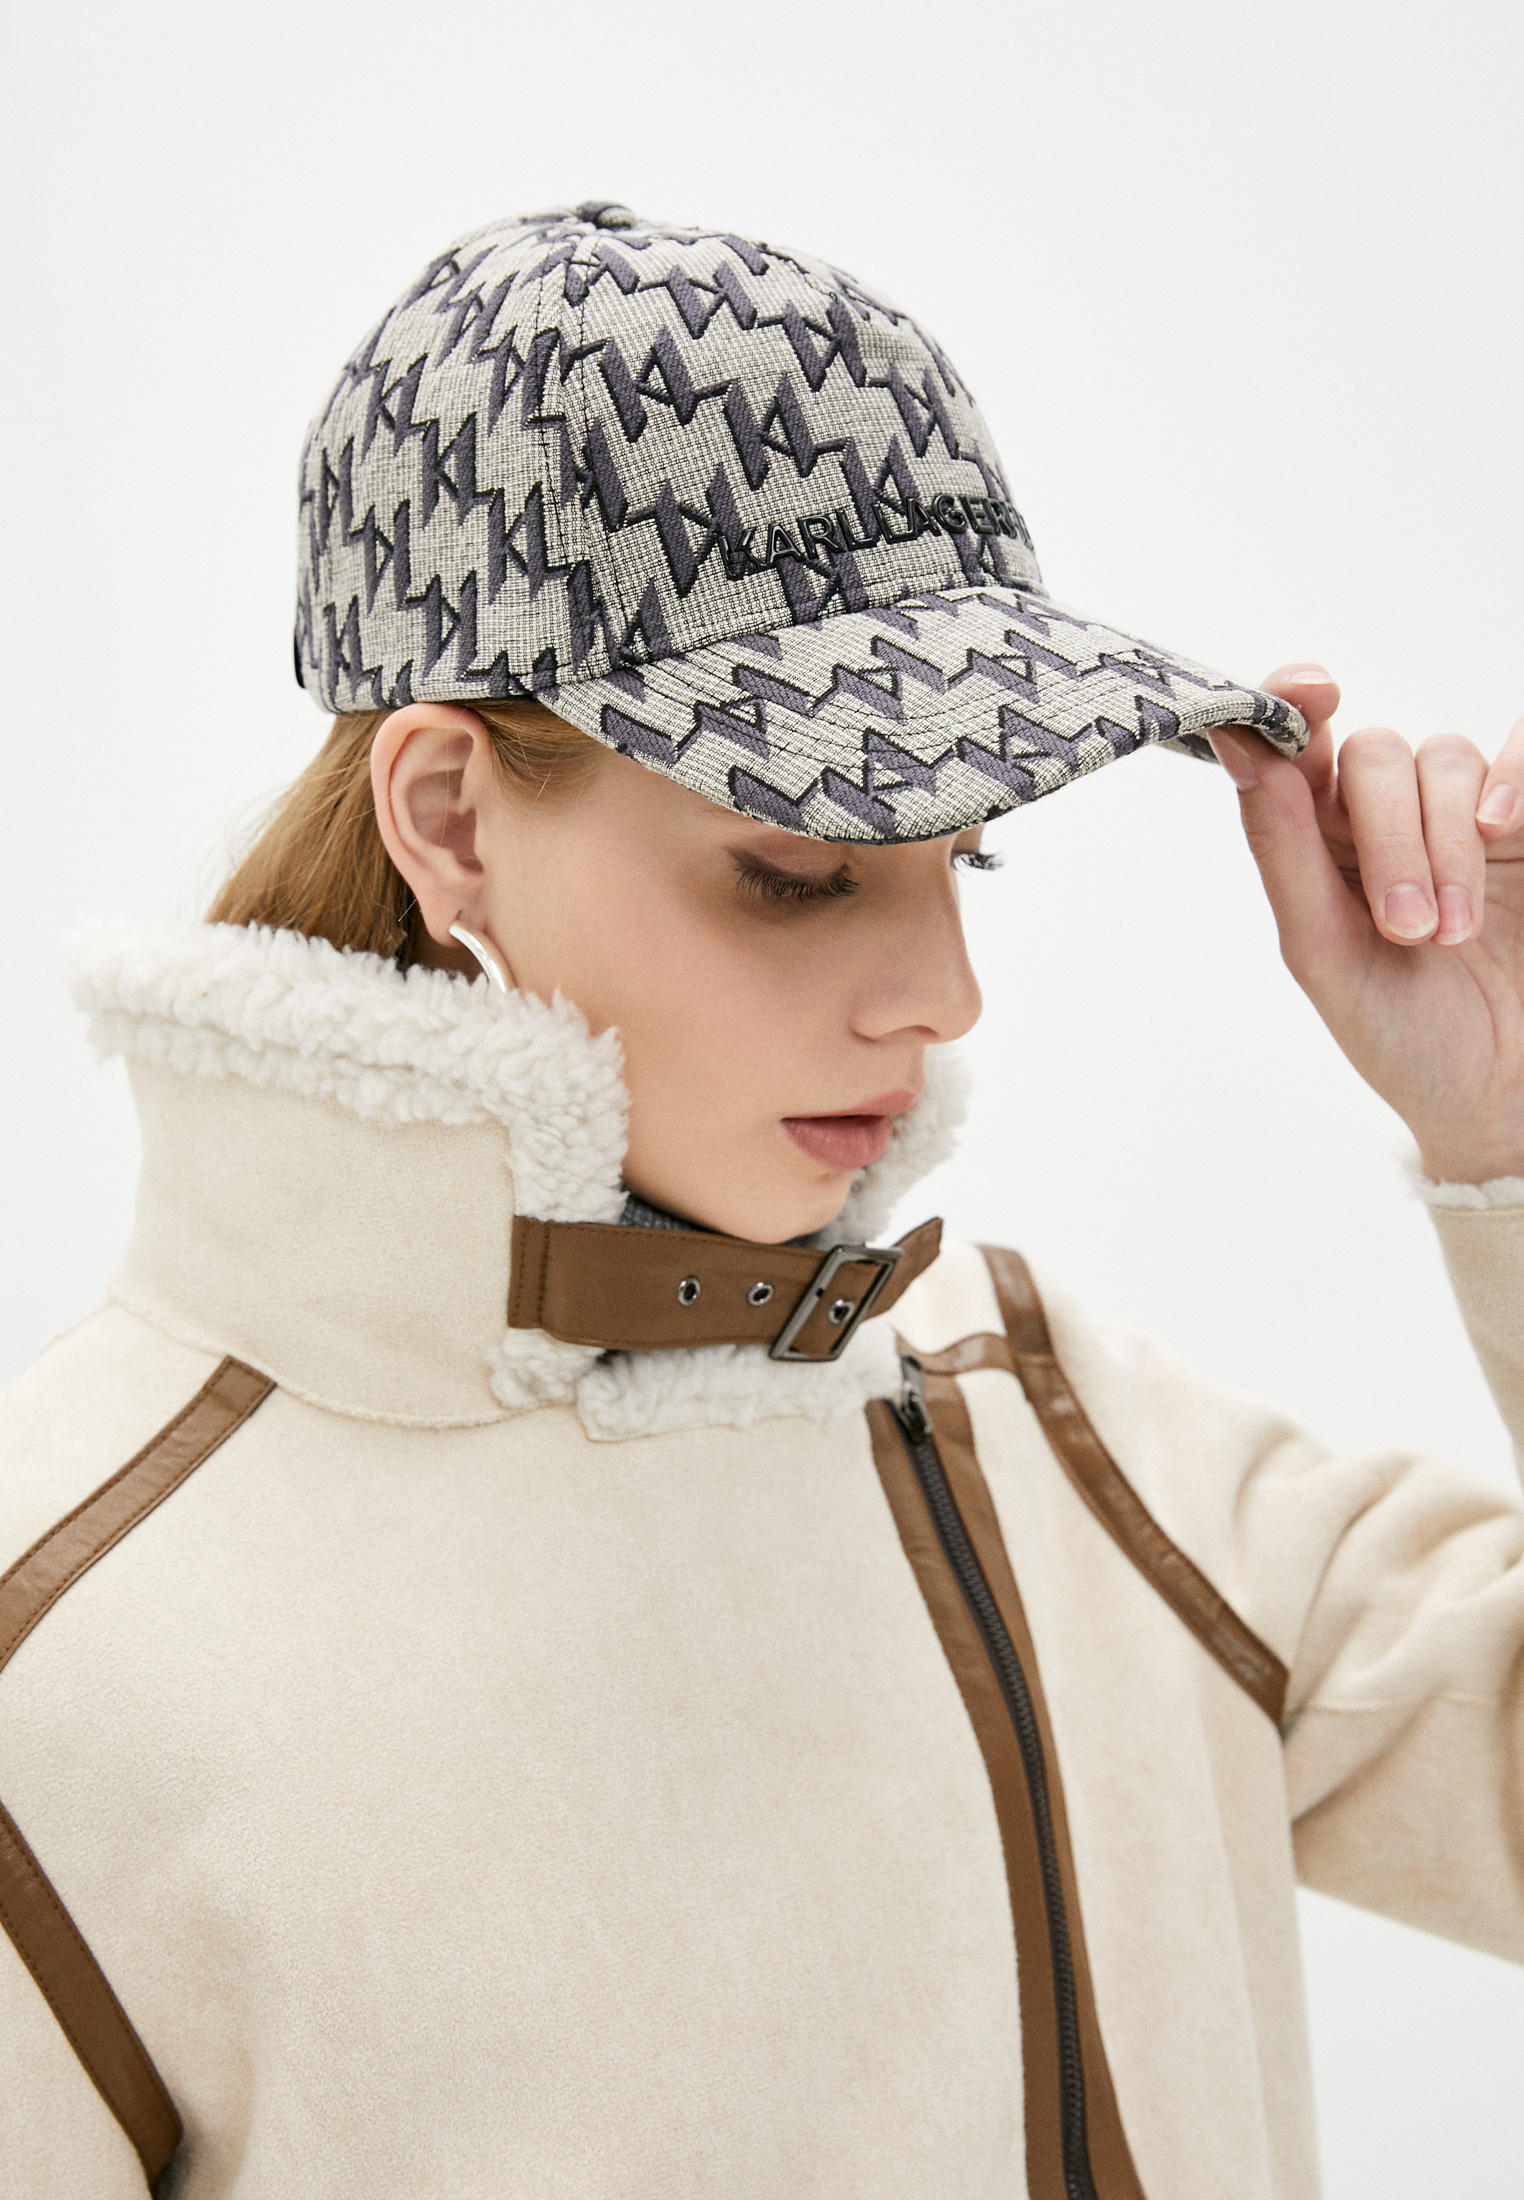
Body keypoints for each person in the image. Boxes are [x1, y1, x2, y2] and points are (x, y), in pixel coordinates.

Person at [1, 199, 1520, 2200]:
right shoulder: (63, 1647)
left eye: (965, 860)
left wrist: (1509, 1126)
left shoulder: (1052, 1426)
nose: (946, 996)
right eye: (799, 870)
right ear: (448, 815)